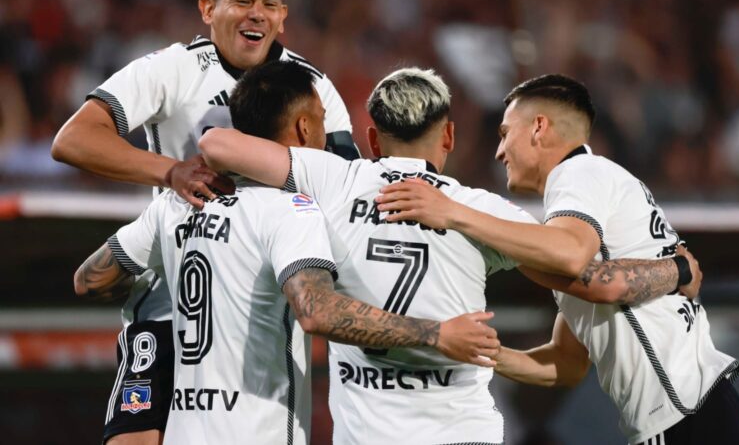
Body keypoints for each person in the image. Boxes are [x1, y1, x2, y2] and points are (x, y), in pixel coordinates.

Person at [198, 67, 701, 444]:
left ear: (373, 138)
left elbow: (217, 144)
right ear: (449, 137)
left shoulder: (331, 179)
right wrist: (674, 269)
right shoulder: (484, 212)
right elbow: (588, 278)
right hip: (464, 432)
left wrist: (344, 169)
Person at [73, 61, 498, 445]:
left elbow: (91, 279)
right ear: (303, 130)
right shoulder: (292, 211)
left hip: (185, 430)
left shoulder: (177, 203)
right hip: (257, 433)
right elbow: (317, 311)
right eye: (322, 122)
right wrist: (436, 334)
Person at [50, 0, 359, 444]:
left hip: (259, 313)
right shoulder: (173, 68)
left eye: (270, 3)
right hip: (172, 309)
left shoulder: (314, 88)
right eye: (241, 0)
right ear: (208, 9)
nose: (257, 13)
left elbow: (346, 189)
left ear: (283, 15)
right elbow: (73, 139)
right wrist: (171, 171)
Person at [376, 74, 739, 445]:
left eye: (506, 133)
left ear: (539, 128)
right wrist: (483, 353)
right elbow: (566, 363)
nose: (499, 151)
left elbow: (575, 261)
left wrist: (454, 213)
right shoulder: (586, 208)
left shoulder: (578, 172)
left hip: (682, 415)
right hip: (701, 409)